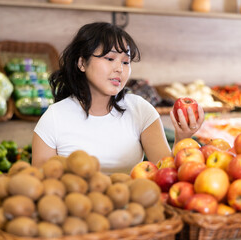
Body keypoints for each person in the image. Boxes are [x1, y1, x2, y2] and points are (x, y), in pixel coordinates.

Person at [32, 22, 204, 175]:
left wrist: (183, 138)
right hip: (77, 208)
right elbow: (40, 184)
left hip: (134, 207)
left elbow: (166, 173)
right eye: (110, 58)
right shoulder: (54, 117)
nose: (119, 69)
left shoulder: (141, 110)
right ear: (82, 63)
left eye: (125, 62)